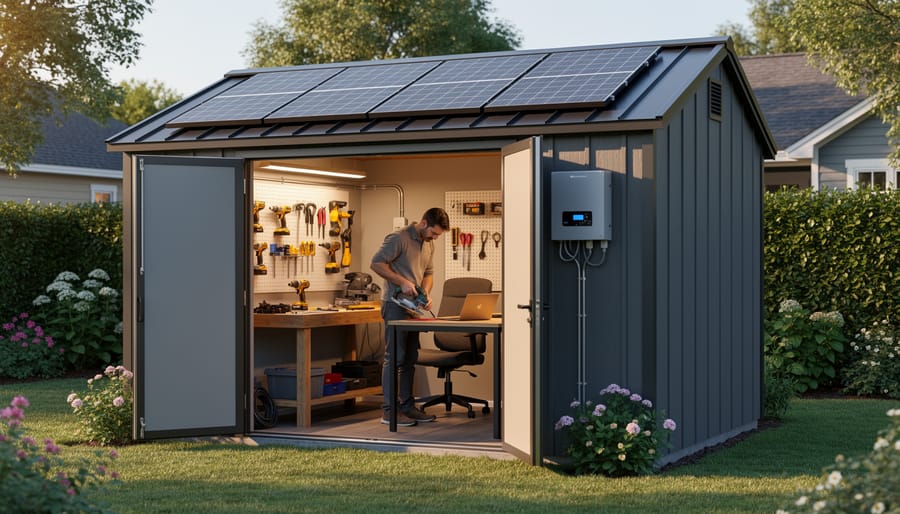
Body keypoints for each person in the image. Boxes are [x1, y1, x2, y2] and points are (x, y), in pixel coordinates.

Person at [370, 207, 449, 427]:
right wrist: (402, 282)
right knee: (395, 358)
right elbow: (376, 263)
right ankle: (389, 412)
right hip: (395, 305)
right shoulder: (398, 238)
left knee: (409, 359)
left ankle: (407, 407)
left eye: (438, 235)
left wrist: (426, 294)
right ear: (423, 223)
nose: (435, 238)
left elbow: (429, 273)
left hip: (413, 307)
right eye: (434, 233)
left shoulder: (428, 243)